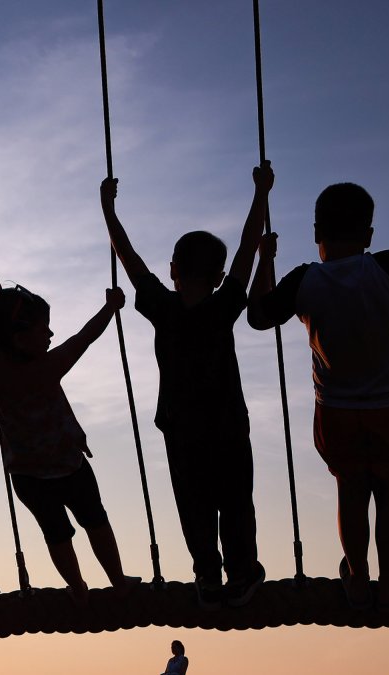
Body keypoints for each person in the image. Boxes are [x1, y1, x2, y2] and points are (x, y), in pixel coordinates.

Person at [248, 184, 389, 610]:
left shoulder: (304, 279)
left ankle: (358, 580)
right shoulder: (384, 266)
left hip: (337, 412)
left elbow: (257, 315)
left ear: (315, 233)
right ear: (368, 235)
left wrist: (265, 261)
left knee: (351, 492)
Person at [99, 163, 273, 608]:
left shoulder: (163, 306)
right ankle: (241, 572)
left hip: (181, 428)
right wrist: (261, 193)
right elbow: (247, 251)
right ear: (217, 278)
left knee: (193, 504)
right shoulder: (224, 306)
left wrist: (109, 212)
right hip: (229, 427)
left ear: (173, 269)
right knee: (236, 503)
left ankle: (207, 576)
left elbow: (130, 259)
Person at [0, 286, 140, 606]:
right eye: (43, 329)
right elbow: (85, 337)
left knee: (57, 535)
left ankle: (77, 588)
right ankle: (119, 582)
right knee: (95, 520)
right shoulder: (49, 366)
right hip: (69, 467)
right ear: (21, 339)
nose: (51, 333)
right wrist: (110, 308)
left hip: (26, 476)